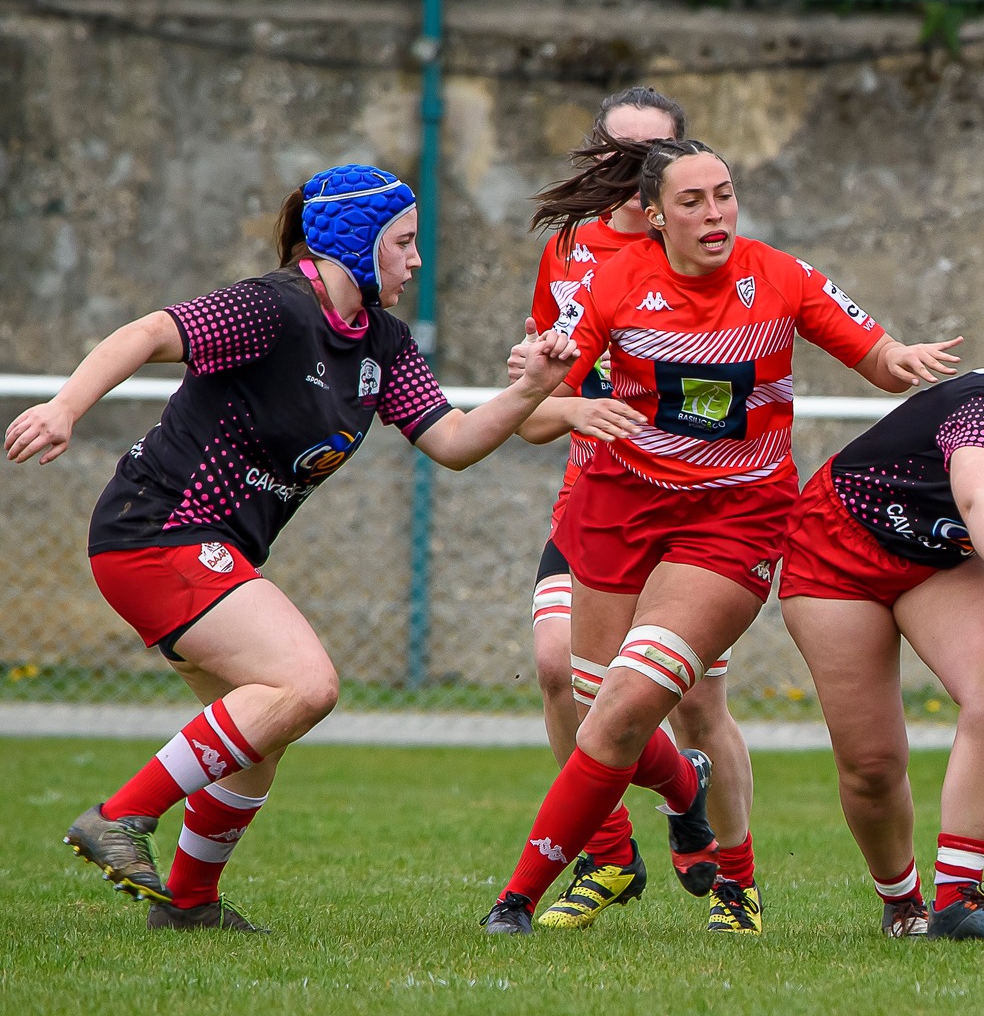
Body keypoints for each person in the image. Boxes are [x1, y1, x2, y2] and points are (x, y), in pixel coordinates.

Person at [5, 166, 578, 930]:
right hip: (157, 528)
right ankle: (120, 816)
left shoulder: (382, 341)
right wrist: (66, 406)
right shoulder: (272, 307)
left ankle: (189, 905)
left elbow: (454, 441)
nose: (415, 261)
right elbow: (148, 332)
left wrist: (532, 388)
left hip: (204, 546)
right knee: (306, 685)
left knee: (260, 733)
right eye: (404, 243)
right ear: (355, 240)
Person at [480, 136, 962, 935]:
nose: (715, 214)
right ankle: (686, 792)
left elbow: (875, 357)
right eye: (693, 202)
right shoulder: (610, 282)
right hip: (616, 508)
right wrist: (566, 400)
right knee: (605, 712)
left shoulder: (781, 276)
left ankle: (521, 899)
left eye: (725, 194)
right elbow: (531, 416)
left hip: (734, 521)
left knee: (628, 703)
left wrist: (903, 356)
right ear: (656, 218)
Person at [514, 86, 759, 932]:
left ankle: (734, 876)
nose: (629, 170)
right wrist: (549, 384)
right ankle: (609, 853)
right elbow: (541, 405)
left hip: (696, 512)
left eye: (650, 155)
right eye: (615, 153)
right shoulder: (569, 250)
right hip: (597, 502)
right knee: (560, 671)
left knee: (695, 705)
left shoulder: (714, 255)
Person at [780, 327, 984, 939]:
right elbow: (980, 499)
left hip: (937, 558)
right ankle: (902, 902)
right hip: (838, 548)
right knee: (872, 765)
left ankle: (957, 900)